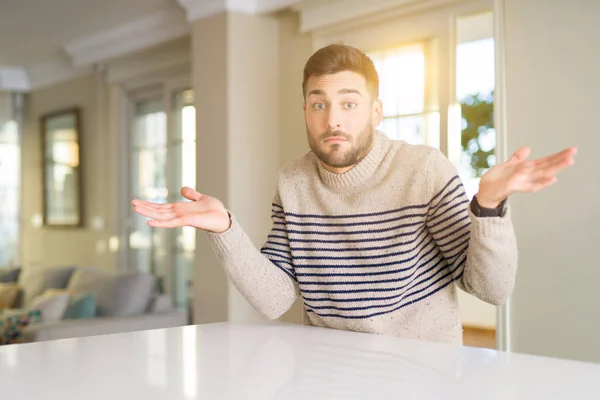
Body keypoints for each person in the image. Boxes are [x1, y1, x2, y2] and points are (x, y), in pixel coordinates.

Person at [132, 44, 576, 344]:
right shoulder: (293, 181)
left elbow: (491, 289)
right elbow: (275, 299)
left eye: (349, 102)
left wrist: (490, 205)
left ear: (375, 111)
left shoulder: (422, 169)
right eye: (319, 103)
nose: (333, 120)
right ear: (305, 111)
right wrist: (225, 228)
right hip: (330, 372)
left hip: (423, 375)